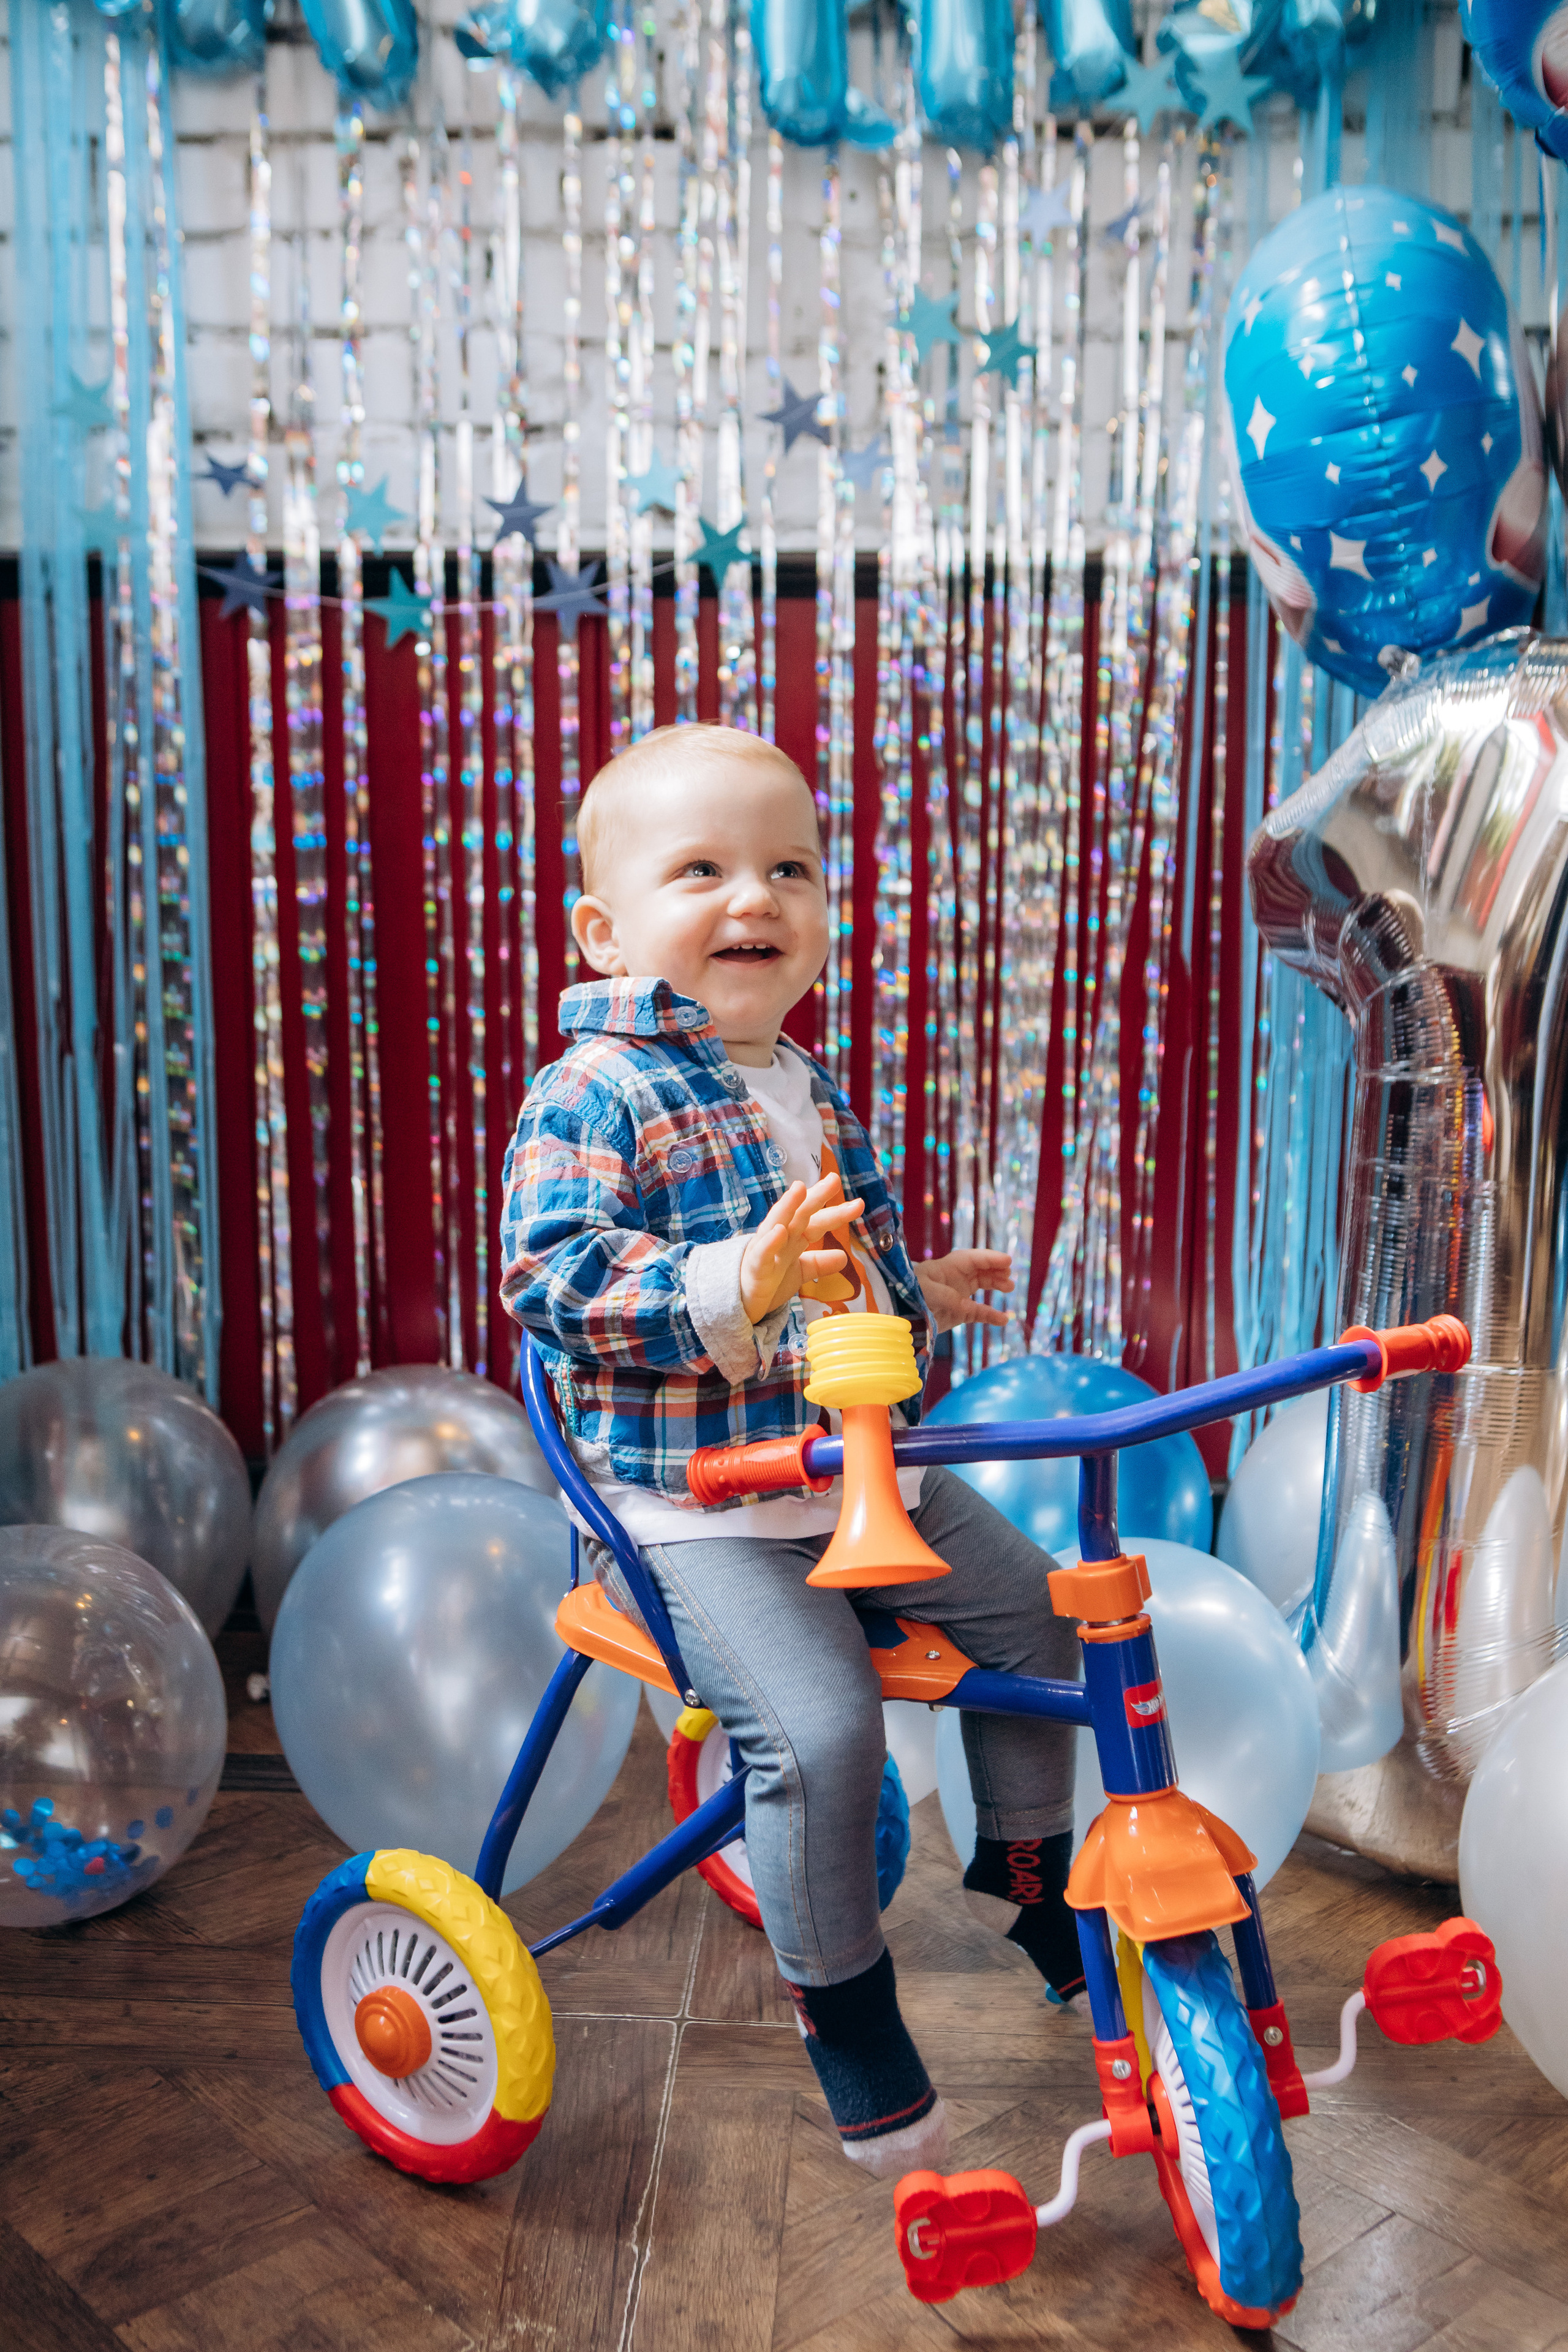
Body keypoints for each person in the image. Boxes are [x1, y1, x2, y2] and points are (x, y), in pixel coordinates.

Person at [499, 724, 1082, 2180]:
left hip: (854, 1472)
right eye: (699, 870)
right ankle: (844, 2005)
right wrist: (732, 1286)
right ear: (604, 928)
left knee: (1044, 1622)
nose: (751, 897)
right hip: (692, 1509)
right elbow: (551, 1283)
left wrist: (909, 1284)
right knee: (819, 1740)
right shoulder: (593, 1089)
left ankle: (1025, 1870)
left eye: (788, 869)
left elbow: (856, 1265)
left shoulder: (807, 1083)